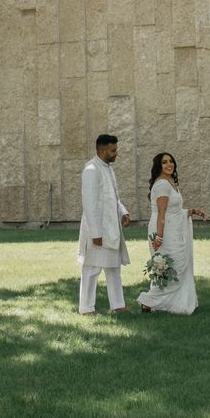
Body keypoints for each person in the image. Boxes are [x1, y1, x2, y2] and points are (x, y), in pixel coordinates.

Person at [138, 151, 204, 315]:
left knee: (176, 265)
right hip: (164, 231)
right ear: (159, 166)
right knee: (171, 266)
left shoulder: (171, 182)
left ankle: (171, 302)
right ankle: (149, 301)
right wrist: (159, 237)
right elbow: (162, 213)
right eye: (165, 162)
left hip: (173, 229)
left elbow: (175, 211)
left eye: (171, 161)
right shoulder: (161, 185)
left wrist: (192, 211)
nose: (169, 164)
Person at [77, 133, 131, 314]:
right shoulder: (91, 170)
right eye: (113, 150)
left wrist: (123, 212)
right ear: (102, 149)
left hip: (111, 227)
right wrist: (95, 233)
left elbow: (113, 198)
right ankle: (86, 308)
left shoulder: (107, 168)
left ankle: (118, 305)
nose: (116, 153)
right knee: (92, 268)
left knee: (113, 267)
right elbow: (89, 203)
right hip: (98, 229)